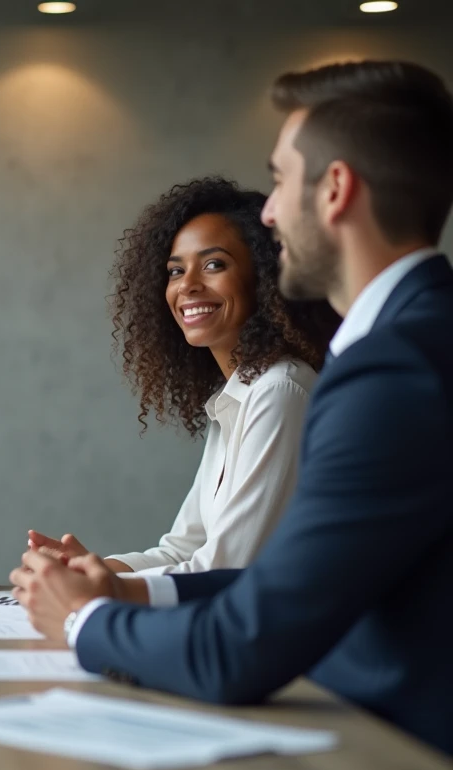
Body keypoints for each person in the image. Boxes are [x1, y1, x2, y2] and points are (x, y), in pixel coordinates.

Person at [11, 60, 453, 755]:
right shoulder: (411, 341)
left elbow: (241, 645)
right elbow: (279, 586)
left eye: (280, 180)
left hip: (397, 758)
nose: (270, 214)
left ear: (336, 189)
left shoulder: (391, 371)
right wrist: (124, 590)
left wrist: (82, 621)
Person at [30, 179, 339, 574]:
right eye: (176, 271)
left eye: (214, 265)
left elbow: (225, 568)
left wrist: (103, 585)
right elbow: (180, 551)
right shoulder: (237, 396)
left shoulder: (280, 391)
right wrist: (94, 569)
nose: (188, 285)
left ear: (263, 278)